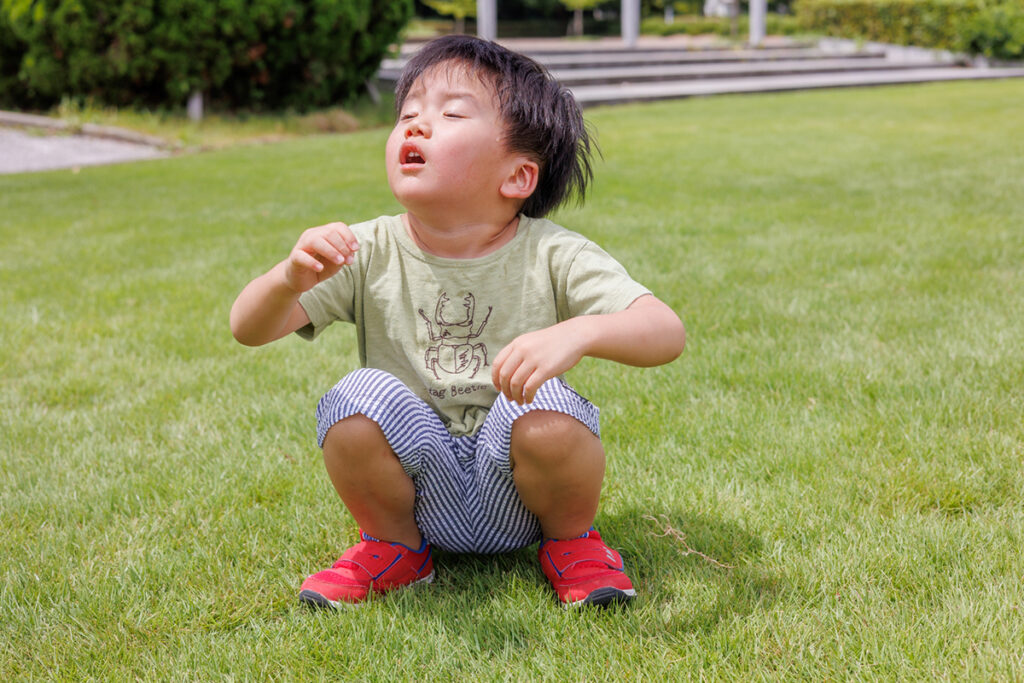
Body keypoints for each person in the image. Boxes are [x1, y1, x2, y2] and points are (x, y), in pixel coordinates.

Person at [230, 35, 686, 608]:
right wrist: (287, 279)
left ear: (517, 177)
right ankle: (394, 548)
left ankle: (573, 545)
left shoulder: (554, 253)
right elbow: (248, 328)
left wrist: (580, 332)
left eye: (450, 114)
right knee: (354, 398)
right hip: (420, 492)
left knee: (545, 405)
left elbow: (665, 330)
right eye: (408, 113)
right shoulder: (365, 250)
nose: (416, 126)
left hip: (517, 492)